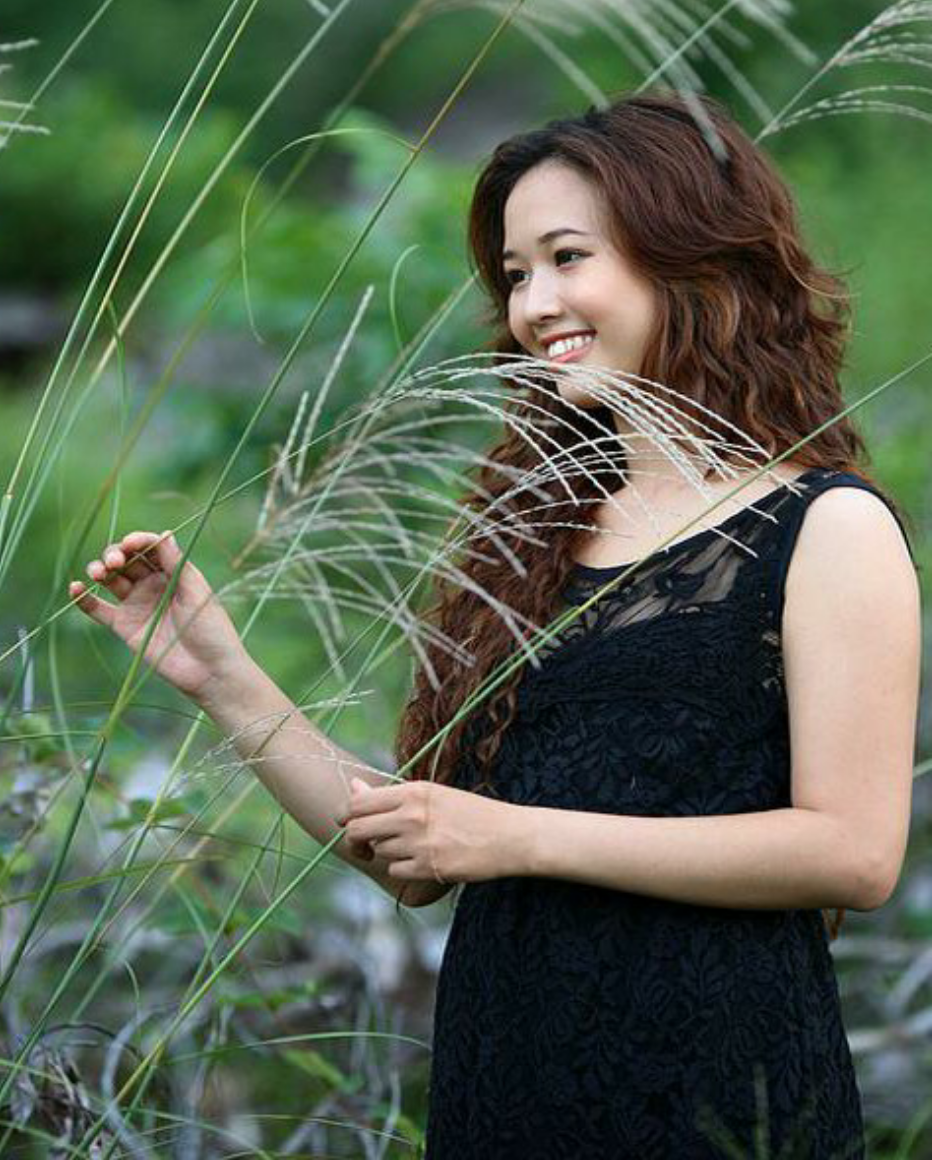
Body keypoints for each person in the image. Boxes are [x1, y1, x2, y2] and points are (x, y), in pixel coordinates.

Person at [68, 90, 922, 1159]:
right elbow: (419, 855)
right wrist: (222, 675)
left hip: (715, 1091)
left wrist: (515, 836)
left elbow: (852, 851)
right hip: (503, 1083)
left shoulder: (824, 527)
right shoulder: (531, 535)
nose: (533, 305)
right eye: (515, 274)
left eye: (567, 257)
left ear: (691, 256)